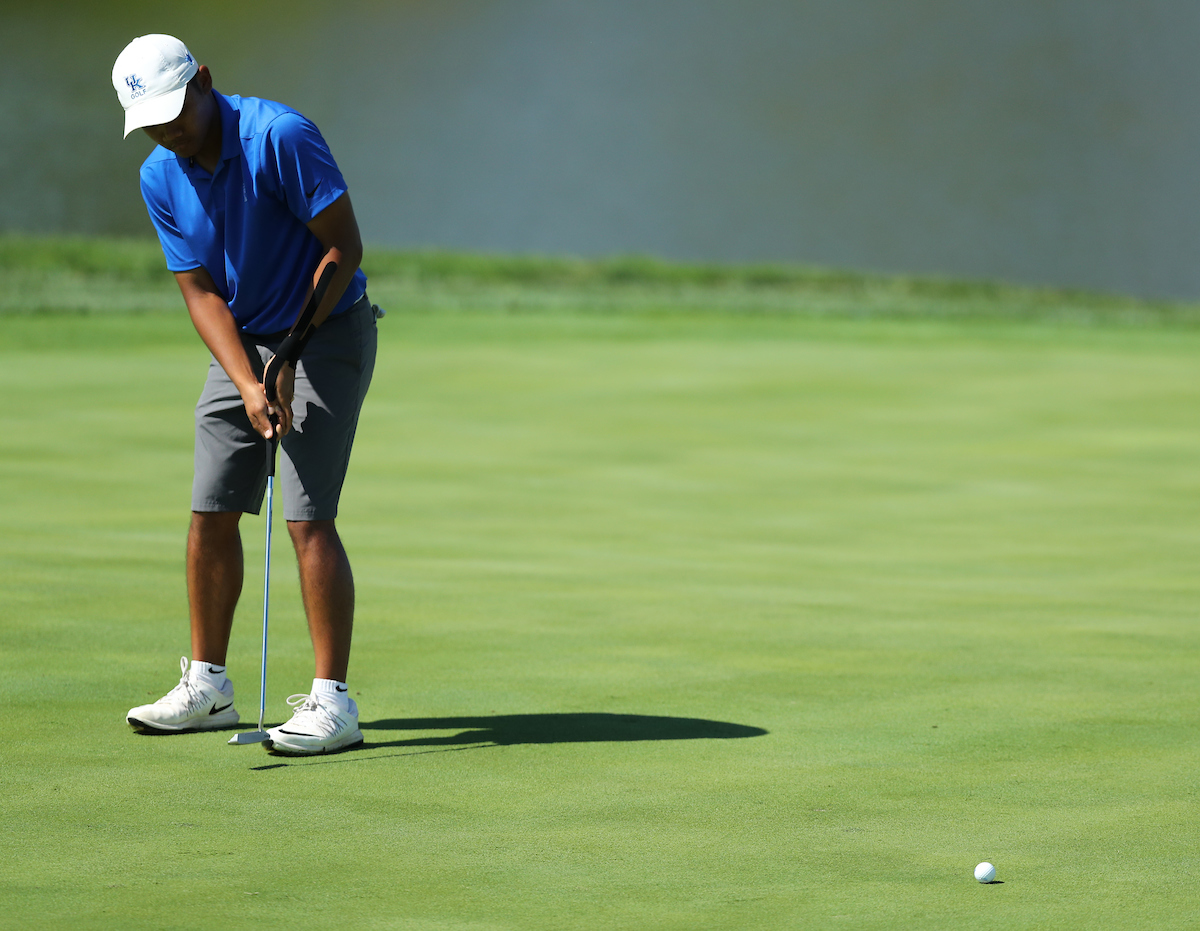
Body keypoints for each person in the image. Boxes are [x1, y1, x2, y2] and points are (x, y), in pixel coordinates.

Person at [111, 34, 378, 755]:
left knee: (305, 516)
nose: (168, 131)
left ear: (203, 80)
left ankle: (333, 702)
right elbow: (198, 290)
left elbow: (343, 248)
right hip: (244, 339)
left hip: (325, 330)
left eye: (175, 110)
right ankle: (208, 686)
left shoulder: (279, 136)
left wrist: (289, 352)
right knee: (211, 506)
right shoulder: (159, 176)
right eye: (151, 121)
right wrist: (245, 378)